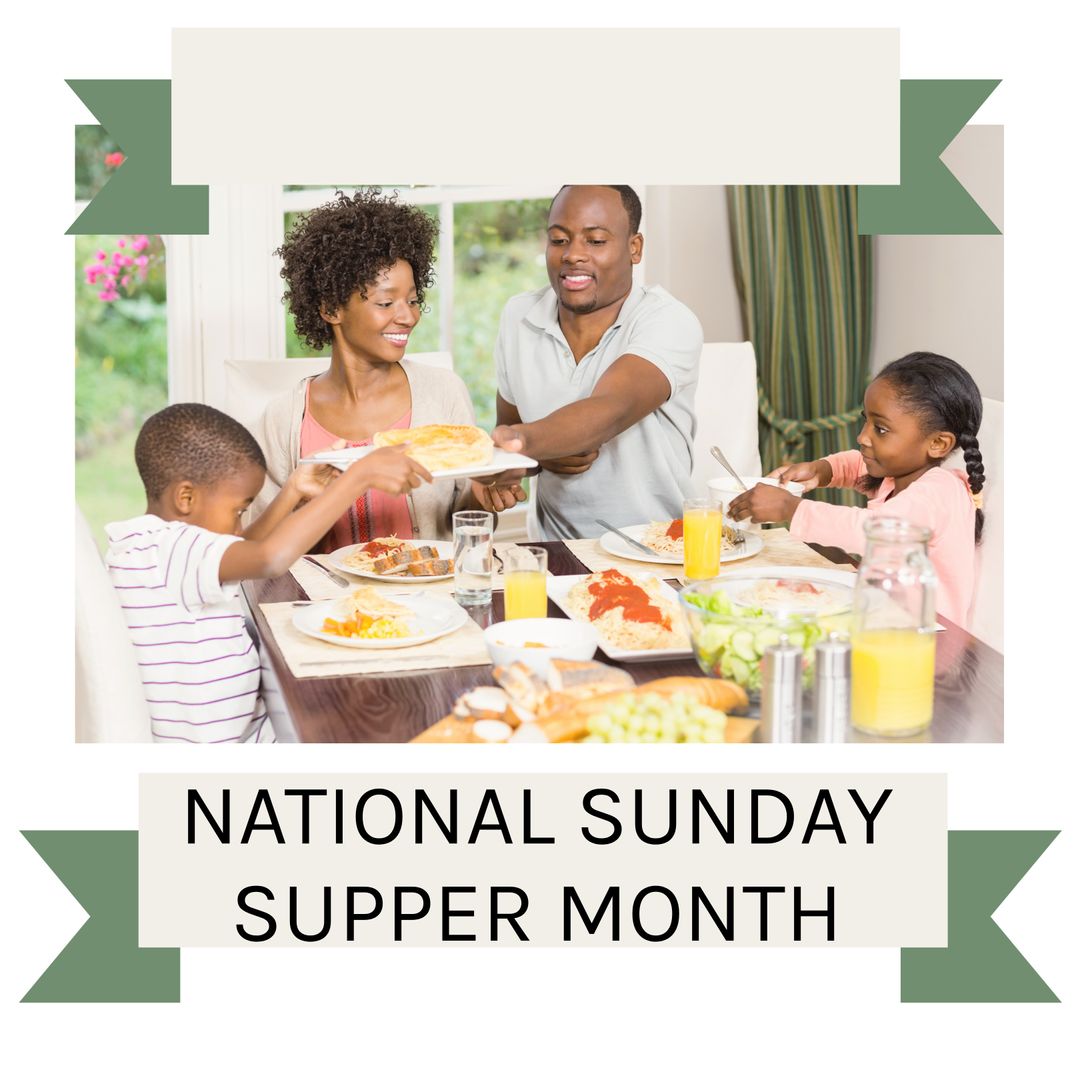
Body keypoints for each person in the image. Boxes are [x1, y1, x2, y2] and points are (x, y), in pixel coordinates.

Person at [106, 403, 431, 743]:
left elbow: (242, 549)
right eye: (239, 510)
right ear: (185, 497)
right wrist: (357, 478)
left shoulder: (149, 548)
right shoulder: (175, 548)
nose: (238, 524)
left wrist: (293, 491)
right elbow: (268, 558)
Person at [253, 189, 489, 546]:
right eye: (385, 302)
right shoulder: (282, 419)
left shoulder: (443, 393)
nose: (408, 316)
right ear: (332, 309)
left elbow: (465, 526)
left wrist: (484, 501)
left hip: (428, 597)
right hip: (325, 600)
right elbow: (258, 553)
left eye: (412, 300)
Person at [479, 184, 703, 539]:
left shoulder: (669, 320)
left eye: (595, 241)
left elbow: (611, 408)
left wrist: (519, 444)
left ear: (635, 248)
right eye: (559, 240)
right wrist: (530, 459)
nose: (573, 255)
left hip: (661, 550)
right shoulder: (519, 315)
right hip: (555, 555)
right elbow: (512, 427)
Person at [727, 352, 986, 627]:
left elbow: (870, 531)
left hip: (927, 642)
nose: (863, 436)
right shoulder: (898, 476)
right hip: (882, 622)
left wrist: (790, 508)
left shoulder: (938, 492)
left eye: (881, 429)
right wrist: (822, 470)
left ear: (938, 443)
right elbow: (855, 466)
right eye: (866, 421)